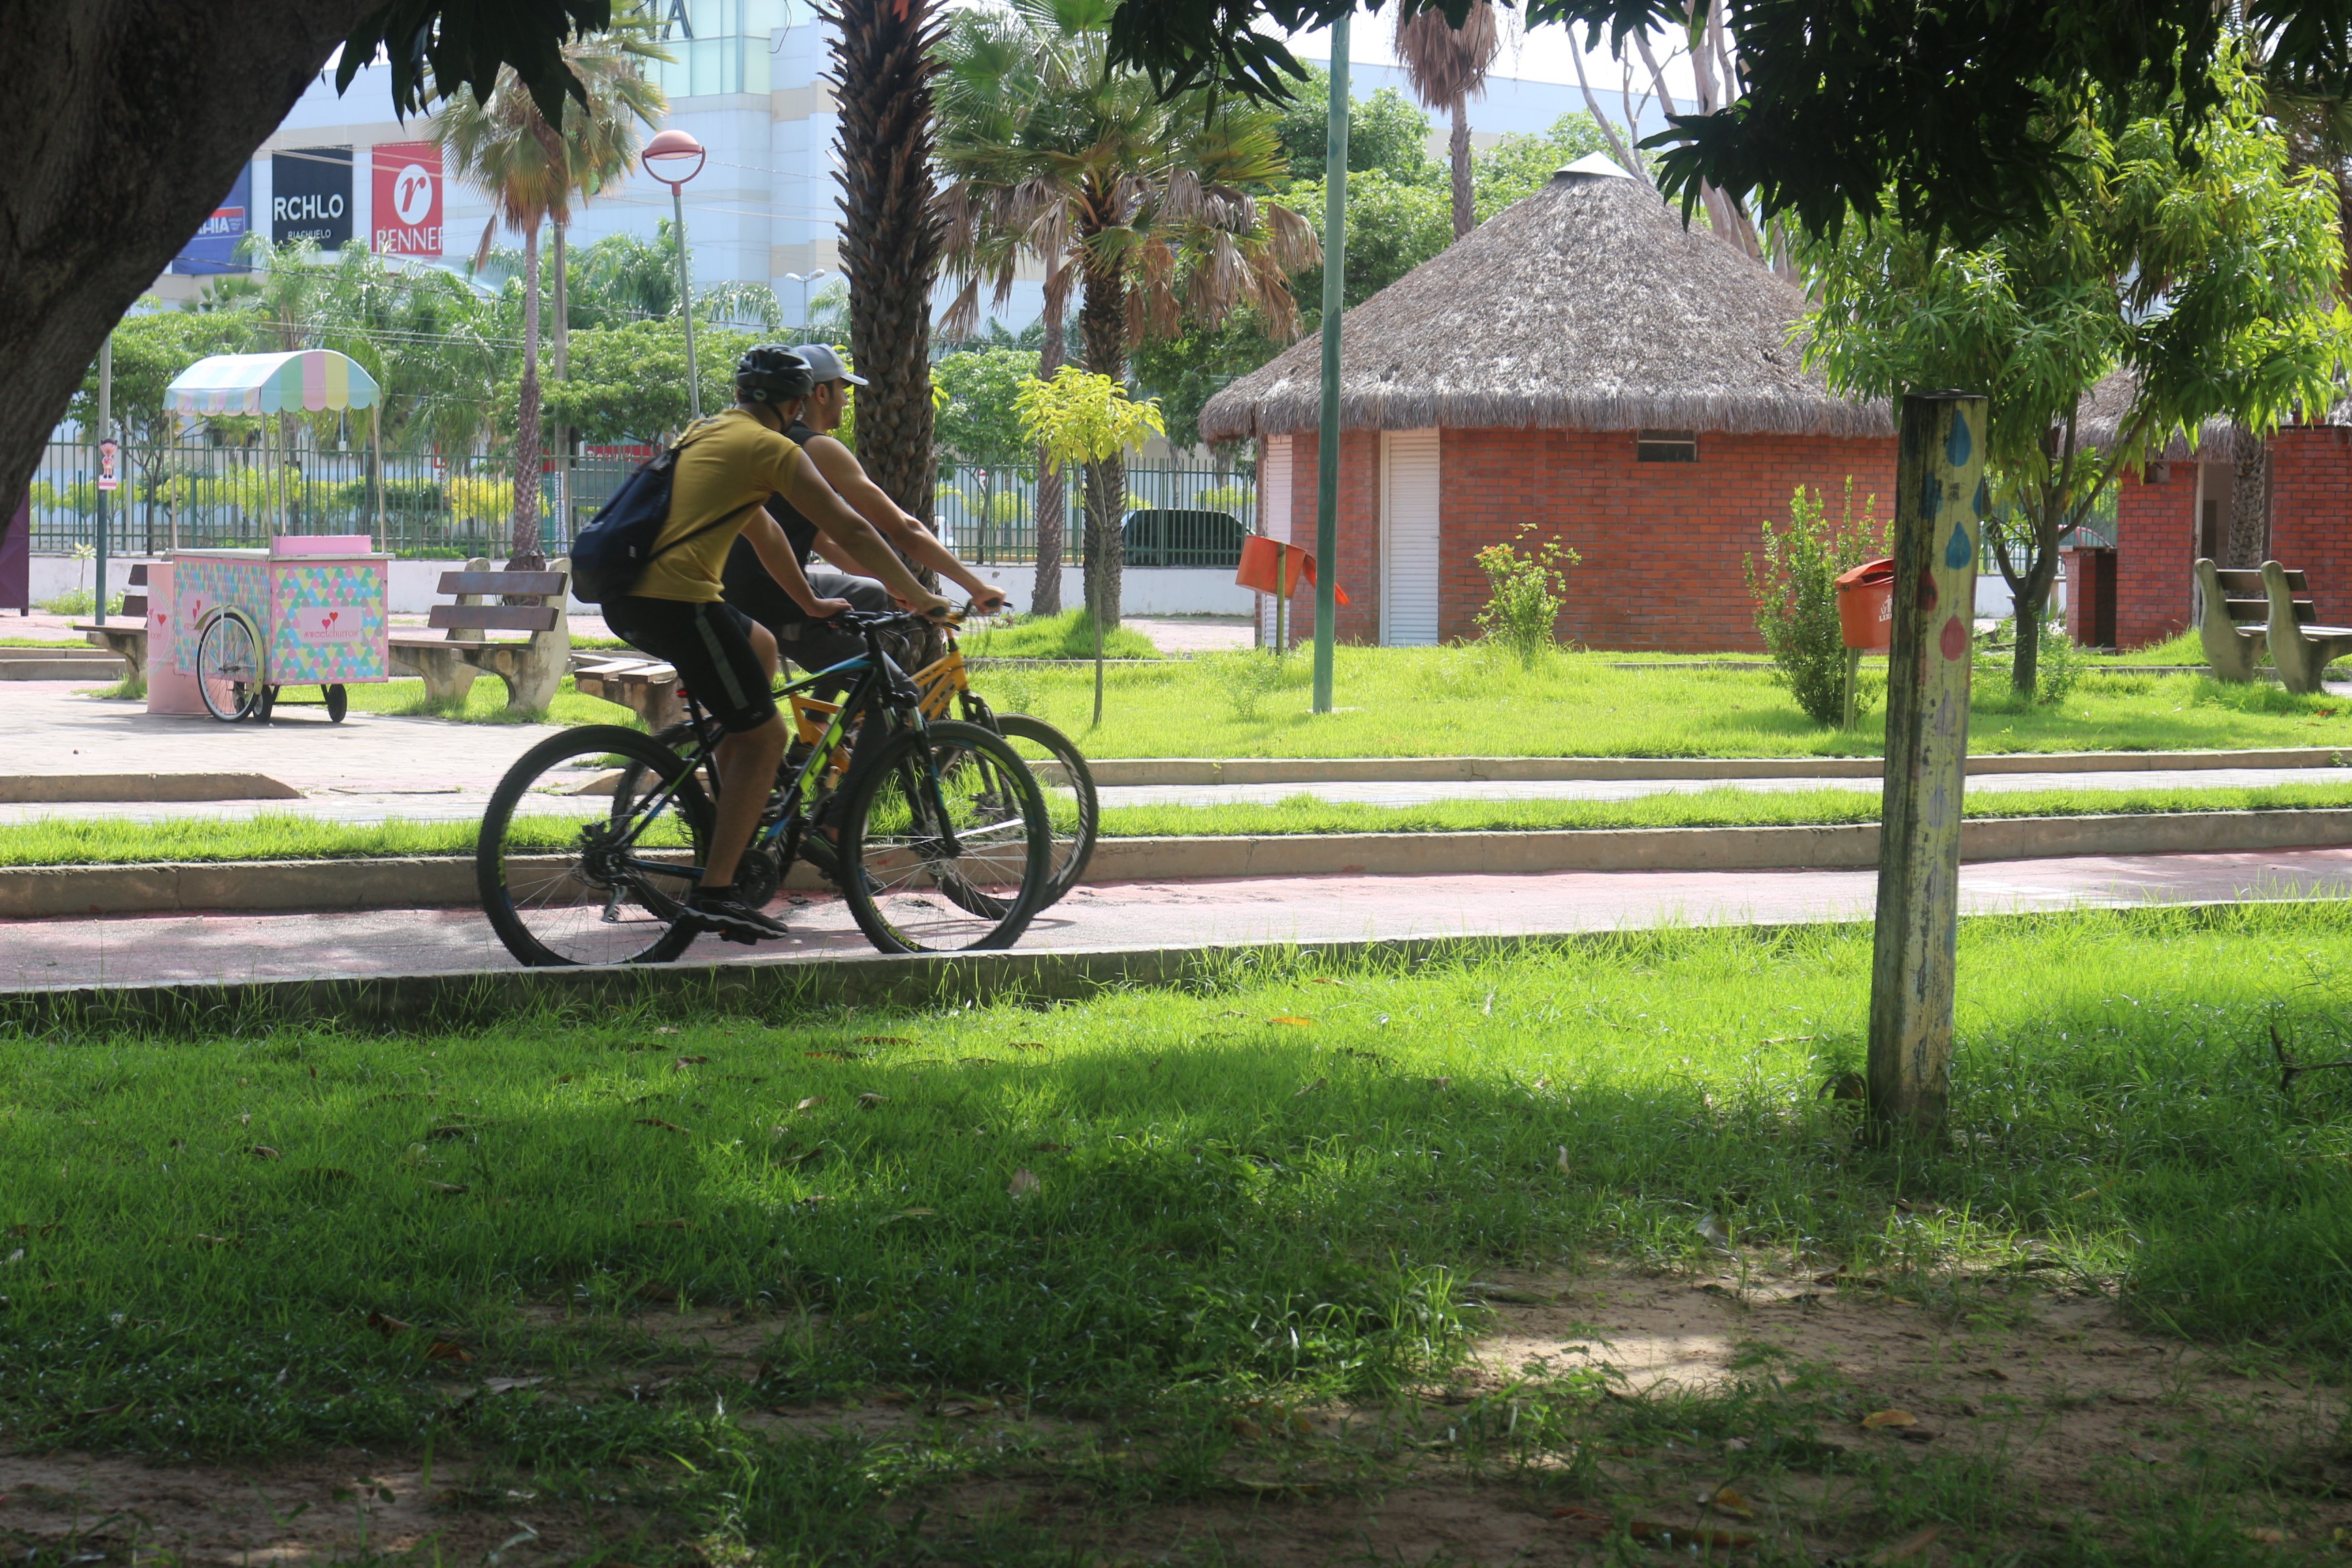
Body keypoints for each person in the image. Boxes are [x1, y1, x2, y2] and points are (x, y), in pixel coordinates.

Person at [601, 344, 953, 943]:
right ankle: (715, 892)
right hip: (677, 600)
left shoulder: (712, 430)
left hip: (631, 595)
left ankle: (738, 812)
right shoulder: (773, 448)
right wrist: (914, 593)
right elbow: (852, 528)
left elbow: (762, 529)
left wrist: (811, 603)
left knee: (761, 650)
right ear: (796, 403)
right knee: (768, 735)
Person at [721, 342, 1009, 678]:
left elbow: (826, 544)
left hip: (742, 583)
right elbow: (902, 529)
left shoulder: (769, 441)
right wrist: (975, 587)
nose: (847, 400)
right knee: (895, 695)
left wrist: (894, 585)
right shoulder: (817, 448)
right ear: (819, 394)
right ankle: (866, 710)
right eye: (842, 390)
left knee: (869, 593)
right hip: (771, 599)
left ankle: (821, 723)